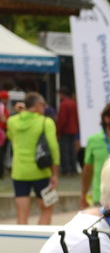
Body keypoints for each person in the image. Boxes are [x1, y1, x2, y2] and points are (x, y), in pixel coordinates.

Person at [7, 92, 59, 225]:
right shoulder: (46, 122)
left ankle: (23, 244)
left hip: (19, 172)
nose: (45, 108)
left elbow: (10, 137)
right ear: (38, 105)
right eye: (43, 105)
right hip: (41, 172)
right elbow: (53, 148)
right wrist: (55, 174)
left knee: (22, 214)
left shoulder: (12, 121)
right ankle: (41, 243)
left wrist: (20, 112)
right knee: (47, 209)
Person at [56, 88, 80, 176]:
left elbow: (62, 119)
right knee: (72, 150)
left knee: (64, 151)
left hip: (65, 130)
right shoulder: (74, 103)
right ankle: (73, 168)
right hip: (73, 130)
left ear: (62, 94)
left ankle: (66, 169)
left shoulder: (64, 104)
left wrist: (58, 131)